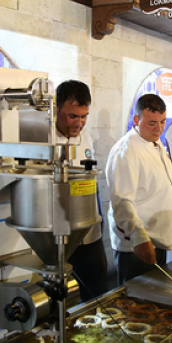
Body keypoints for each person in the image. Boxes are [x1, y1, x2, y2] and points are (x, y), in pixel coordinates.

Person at [106, 94, 172, 285]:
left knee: (155, 300)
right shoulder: (127, 150)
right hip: (137, 245)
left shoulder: (154, 143)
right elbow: (122, 201)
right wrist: (139, 238)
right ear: (136, 119)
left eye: (163, 122)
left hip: (156, 240)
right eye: (152, 123)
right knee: (134, 303)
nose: (159, 129)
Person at [53, 80, 108, 301]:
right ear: (56, 109)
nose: (79, 123)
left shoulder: (85, 135)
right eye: (72, 116)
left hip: (90, 229)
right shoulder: (42, 137)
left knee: (98, 292)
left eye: (84, 116)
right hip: (61, 232)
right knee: (66, 298)